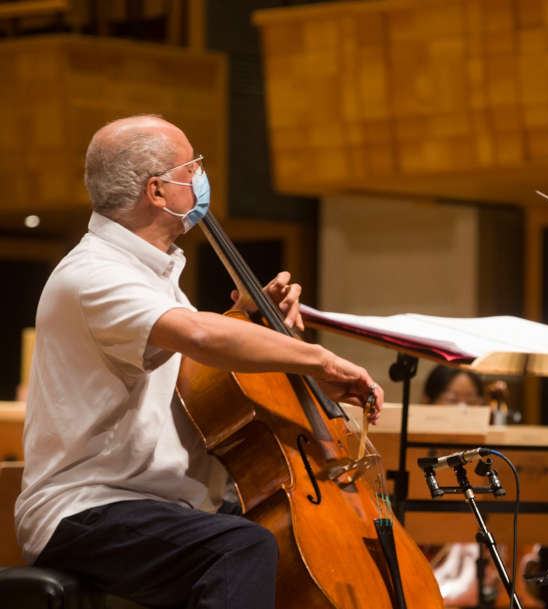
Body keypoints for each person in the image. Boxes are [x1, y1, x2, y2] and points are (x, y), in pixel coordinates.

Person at [13, 115, 384, 609]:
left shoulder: (149, 272)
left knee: (295, 531)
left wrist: (248, 320)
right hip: (88, 507)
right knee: (240, 546)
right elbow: (200, 336)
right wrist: (317, 360)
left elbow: (196, 362)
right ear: (158, 191)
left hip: (159, 502)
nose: (203, 177)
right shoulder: (94, 273)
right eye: (194, 166)